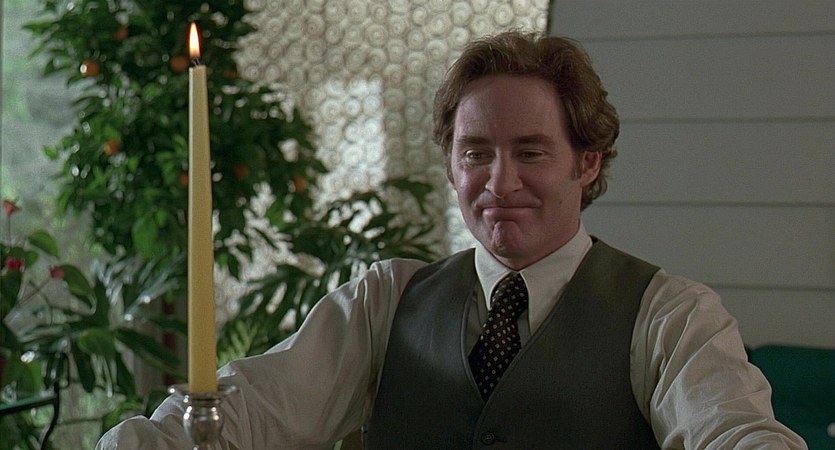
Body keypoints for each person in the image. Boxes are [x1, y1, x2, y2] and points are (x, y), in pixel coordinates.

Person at [97, 30, 807, 449]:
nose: (499, 182)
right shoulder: (386, 300)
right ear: (451, 165)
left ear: (586, 162)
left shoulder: (669, 314)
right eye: (476, 153)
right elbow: (251, 407)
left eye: (530, 152)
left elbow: (732, 429)